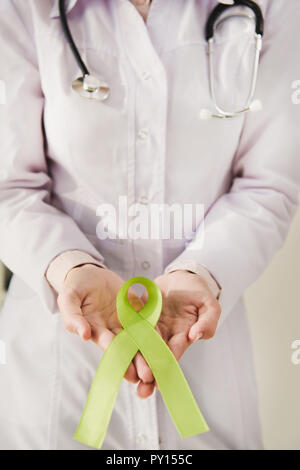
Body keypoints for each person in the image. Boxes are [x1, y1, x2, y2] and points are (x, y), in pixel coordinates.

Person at [0, 0, 299, 450]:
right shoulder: (20, 8)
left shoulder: (274, 7)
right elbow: (9, 188)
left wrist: (201, 272)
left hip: (202, 346)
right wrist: (68, 267)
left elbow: (268, 186)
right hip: (57, 370)